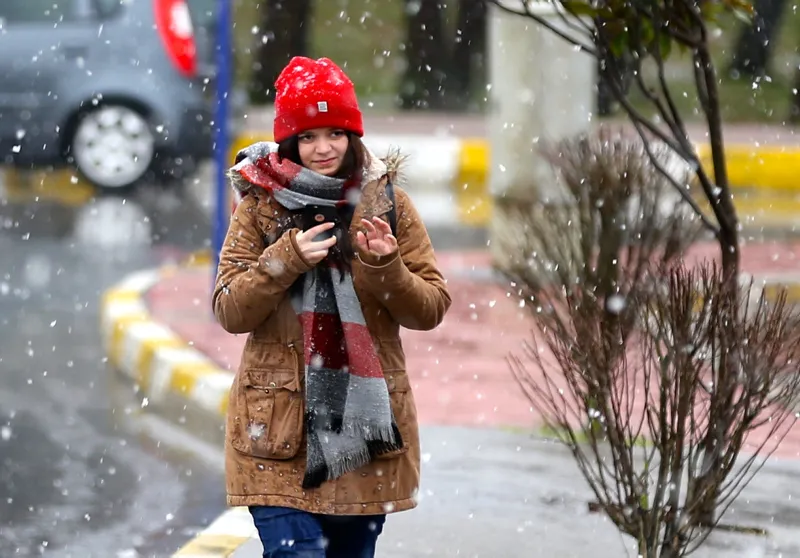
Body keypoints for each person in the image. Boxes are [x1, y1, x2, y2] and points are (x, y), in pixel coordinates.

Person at [212, 56, 452, 558]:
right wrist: (286, 259)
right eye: (308, 136)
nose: (323, 149)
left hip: (364, 436)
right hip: (277, 435)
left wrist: (386, 268)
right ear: (288, 142)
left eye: (335, 134)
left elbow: (429, 308)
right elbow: (231, 310)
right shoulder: (260, 204)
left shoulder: (387, 204)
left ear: (353, 137)